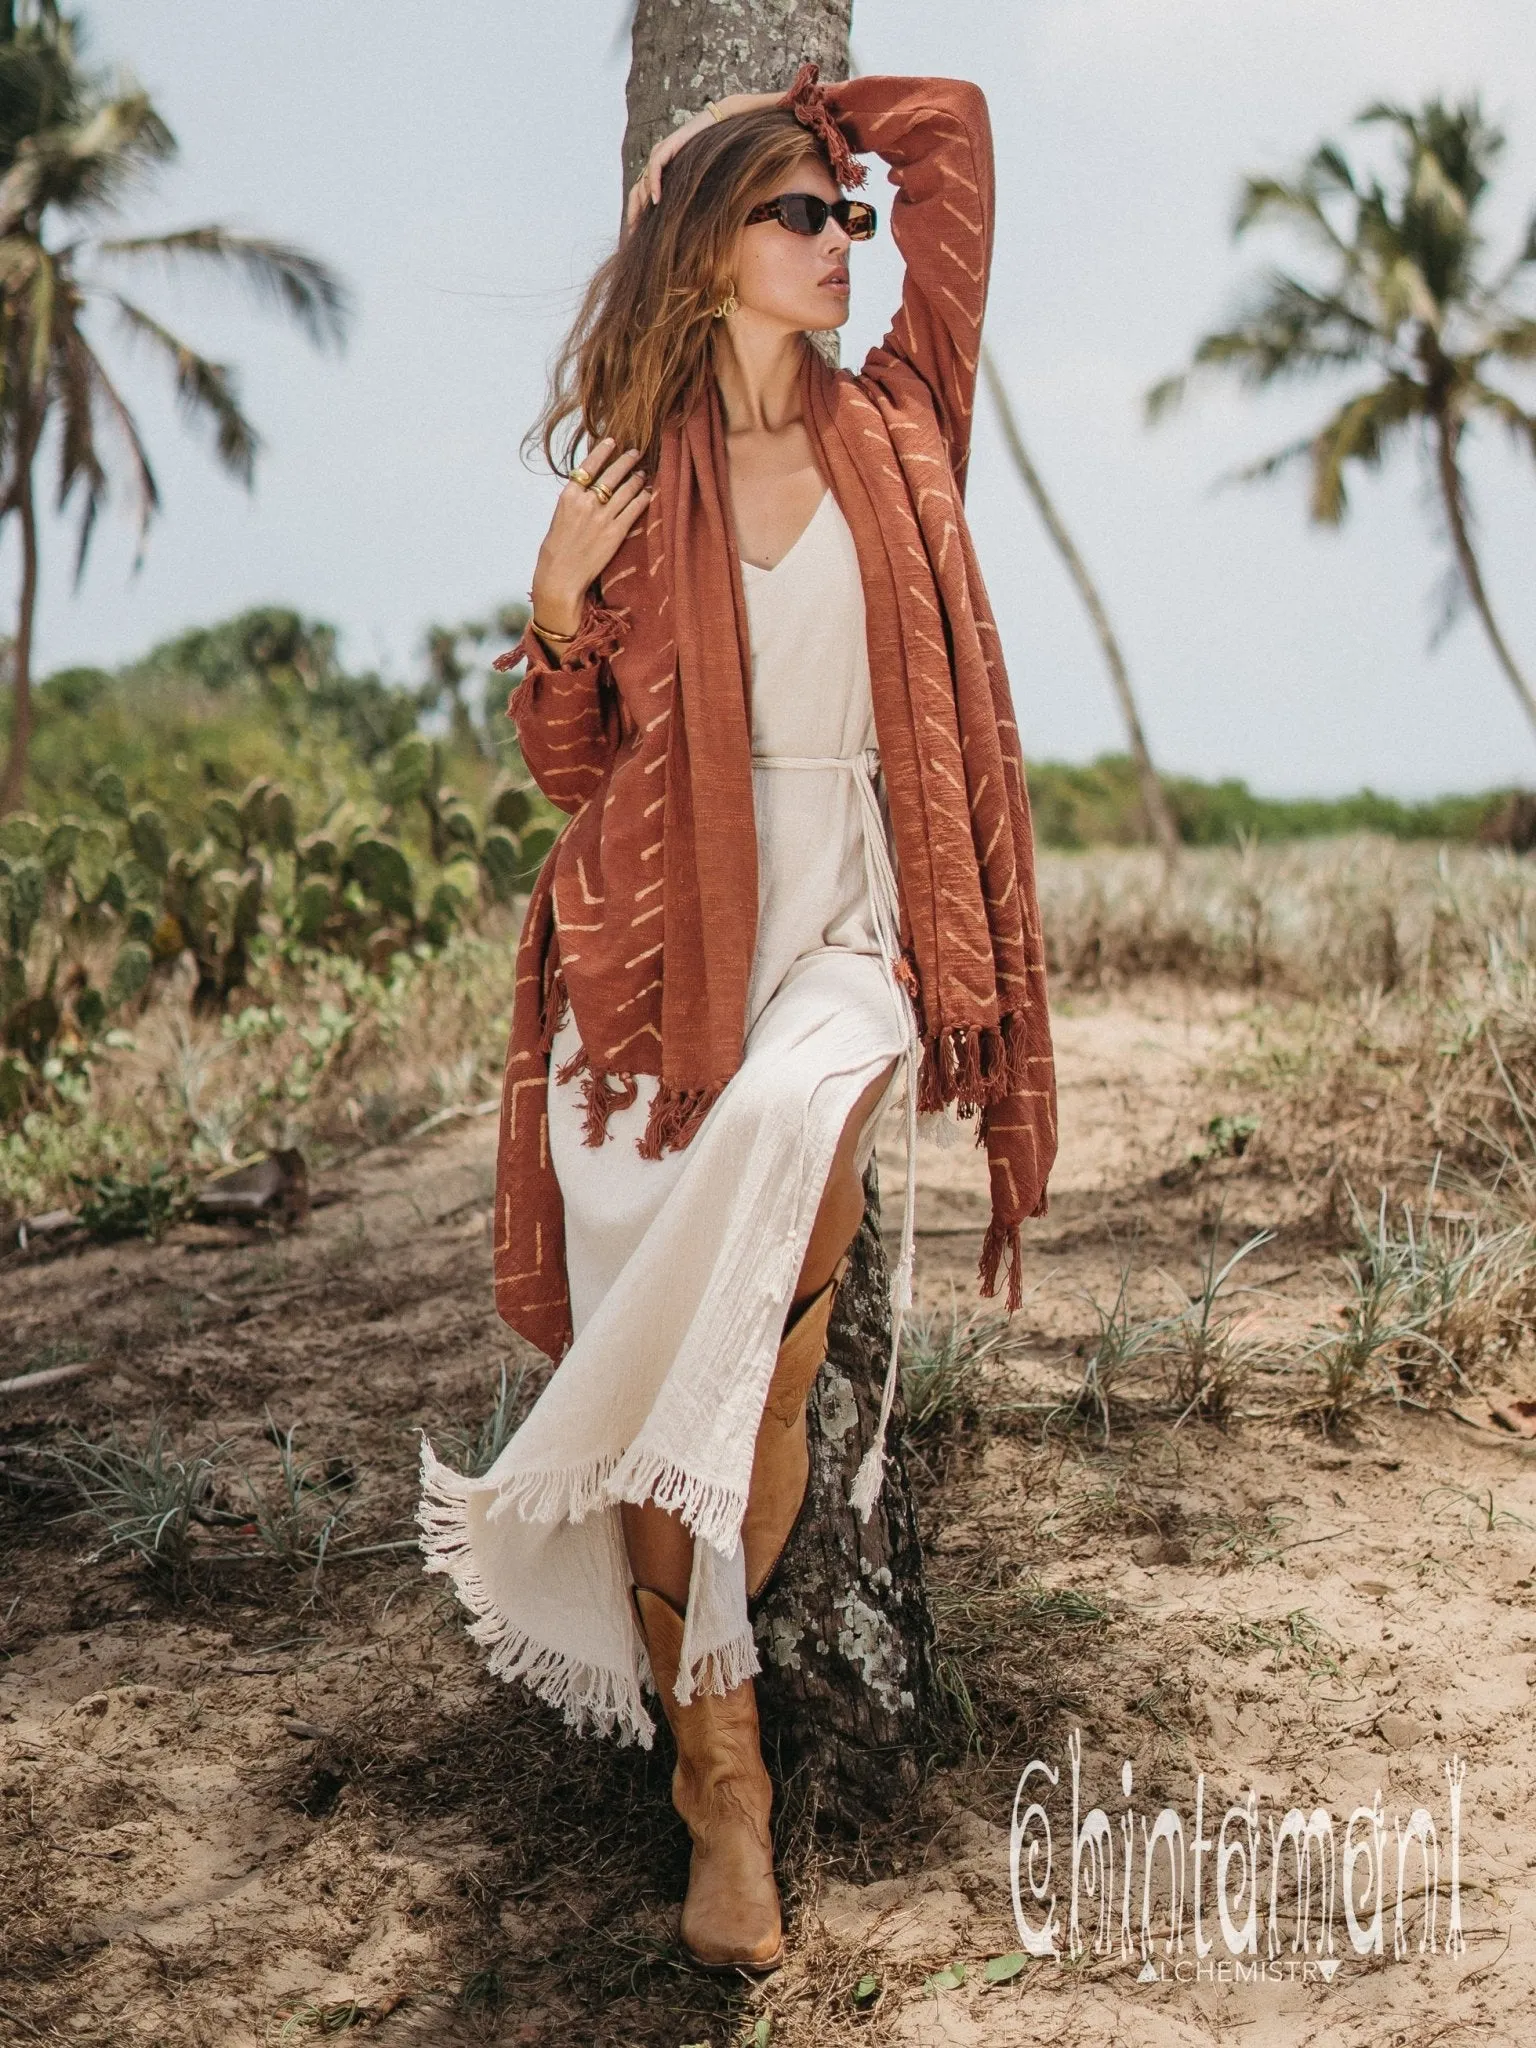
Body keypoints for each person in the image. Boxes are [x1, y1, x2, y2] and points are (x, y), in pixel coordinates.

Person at [418, 62, 1057, 1976]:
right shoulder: (634, 468)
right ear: (709, 260)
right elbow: (566, 763)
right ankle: (728, 1783)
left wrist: (806, 122)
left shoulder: (904, 424)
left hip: (847, 930)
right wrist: (550, 609)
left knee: (769, 1317)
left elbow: (951, 145)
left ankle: (721, 1770)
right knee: (660, 1404)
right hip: (643, 970)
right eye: (801, 218)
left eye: (847, 220)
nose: (845, 244)